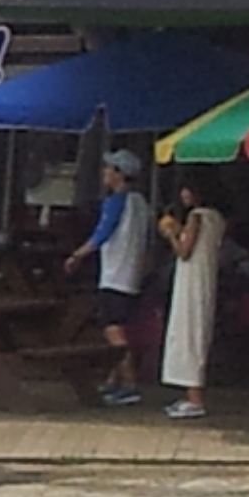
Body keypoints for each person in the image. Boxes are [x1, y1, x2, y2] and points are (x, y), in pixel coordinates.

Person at [64, 147, 153, 405]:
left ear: (119, 174)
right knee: (121, 326)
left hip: (115, 274)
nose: (105, 172)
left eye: (109, 168)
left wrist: (77, 255)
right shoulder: (141, 203)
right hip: (134, 274)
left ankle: (130, 383)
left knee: (112, 328)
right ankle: (114, 381)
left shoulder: (115, 201)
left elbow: (102, 233)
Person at [158, 178, 227, 420]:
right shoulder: (216, 218)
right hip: (206, 277)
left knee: (187, 333)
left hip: (190, 279)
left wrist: (171, 235)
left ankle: (195, 398)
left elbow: (184, 252)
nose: (183, 194)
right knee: (198, 332)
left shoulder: (196, 216)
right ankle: (192, 395)